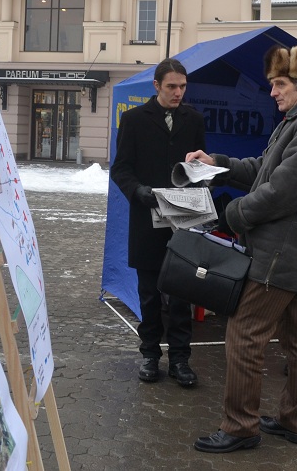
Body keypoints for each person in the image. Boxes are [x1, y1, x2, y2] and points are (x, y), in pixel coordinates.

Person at [186, 44, 297, 454]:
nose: (272, 92)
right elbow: (261, 170)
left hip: (278, 258)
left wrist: (230, 214)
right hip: (292, 260)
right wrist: (215, 161)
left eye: (279, 84)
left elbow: (279, 193)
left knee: (244, 335)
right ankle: (294, 420)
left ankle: (239, 427)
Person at [110, 58, 206, 387]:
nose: (178, 92)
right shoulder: (134, 120)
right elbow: (121, 168)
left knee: (181, 293)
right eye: (171, 87)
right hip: (146, 219)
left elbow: (199, 166)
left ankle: (180, 358)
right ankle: (150, 354)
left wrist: (201, 183)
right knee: (149, 294)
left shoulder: (193, 120)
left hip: (183, 221)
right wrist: (138, 191)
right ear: (156, 86)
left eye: (182, 87)